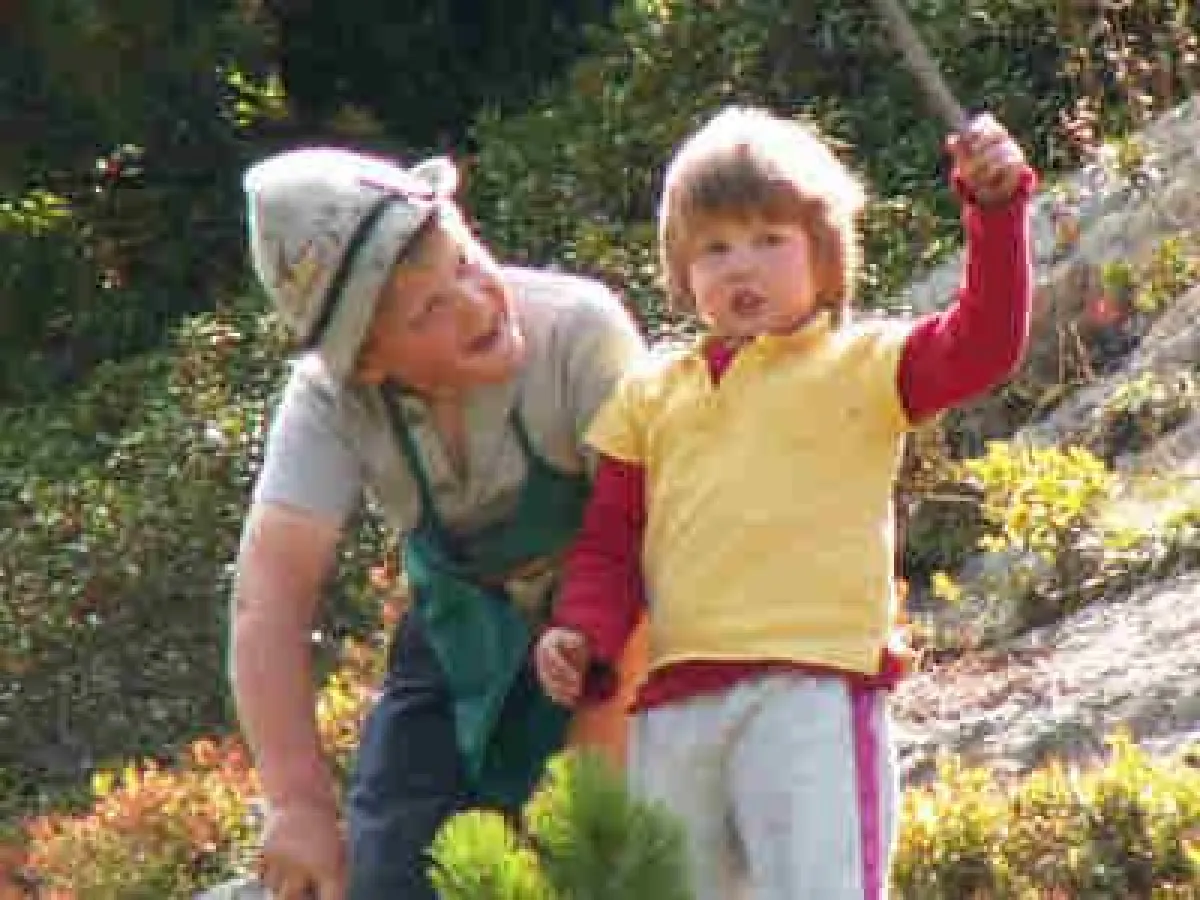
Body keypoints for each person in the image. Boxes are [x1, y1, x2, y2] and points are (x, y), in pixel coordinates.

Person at [534, 106, 1035, 900]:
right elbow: (609, 544)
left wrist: (997, 212)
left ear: (827, 256)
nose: (742, 267)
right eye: (715, 247)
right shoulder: (650, 395)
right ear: (681, 270)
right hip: (674, 706)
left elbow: (984, 344)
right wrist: (580, 633)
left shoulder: (864, 362)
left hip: (814, 692)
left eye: (771, 240)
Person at [232, 146, 648, 900]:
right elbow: (269, 599)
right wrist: (297, 803)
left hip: (625, 623)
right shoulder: (329, 402)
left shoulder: (579, 334)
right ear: (366, 362)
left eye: (465, 261)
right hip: (458, 635)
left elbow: (660, 555)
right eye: (429, 309)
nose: (477, 303)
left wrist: (587, 794)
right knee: (390, 871)